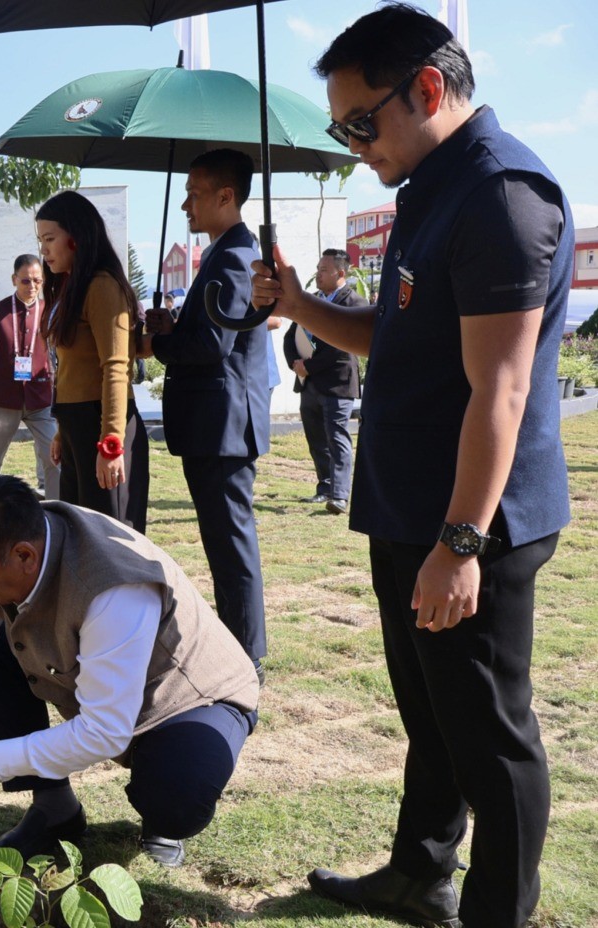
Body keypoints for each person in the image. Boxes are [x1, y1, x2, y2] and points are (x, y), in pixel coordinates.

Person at [250, 6, 572, 926]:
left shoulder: (504, 197)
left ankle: (495, 912)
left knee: (490, 738)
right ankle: (420, 872)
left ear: (428, 89)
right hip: (406, 510)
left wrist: (461, 542)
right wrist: (305, 304)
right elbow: (393, 340)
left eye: (361, 122)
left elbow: (499, 393)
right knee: (432, 721)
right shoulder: (429, 187)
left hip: (470, 523)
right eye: (338, 128)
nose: (353, 145)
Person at [0, 472, 259, 867]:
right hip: (111, 693)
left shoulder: (113, 588)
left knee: (174, 800)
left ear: (23, 556)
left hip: (190, 697)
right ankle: (55, 809)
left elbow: (104, 731)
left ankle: (162, 804)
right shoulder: (5, 550)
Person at [138, 149, 269, 674]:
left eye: (195, 193)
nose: (187, 204)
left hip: (225, 427)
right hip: (215, 425)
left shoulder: (236, 254)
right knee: (223, 540)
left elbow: (214, 343)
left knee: (231, 543)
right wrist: (171, 325)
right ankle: (241, 645)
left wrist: (158, 345)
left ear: (225, 196)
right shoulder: (222, 250)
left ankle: (246, 654)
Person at [34, 191, 149, 532]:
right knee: (82, 534)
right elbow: (70, 368)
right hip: (75, 424)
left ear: (76, 237)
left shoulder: (101, 286)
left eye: (50, 239)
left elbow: (115, 367)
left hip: (100, 423)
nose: (44, 250)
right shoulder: (71, 287)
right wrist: (60, 430)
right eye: (40, 240)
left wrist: (111, 442)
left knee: (112, 535)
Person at [0, 255, 60, 499]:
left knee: (54, 455)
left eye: (37, 281)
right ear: (14, 280)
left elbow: (55, 357)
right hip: (3, 399)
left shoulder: (49, 310)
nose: (32, 286)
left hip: (41, 399)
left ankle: (54, 507)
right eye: (25, 281)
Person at [283, 249, 365, 515]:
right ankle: (325, 487)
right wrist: (296, 363)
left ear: (341, 273)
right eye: (317, 268)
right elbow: (291, 335)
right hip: (310, 384)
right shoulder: (313, 302)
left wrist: (308, 366)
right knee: (316, 438)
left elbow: (342, 347)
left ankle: (340, 496)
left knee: (337, 437)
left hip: (337, 384)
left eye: (323, 270)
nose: (317, 274)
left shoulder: (354, 304)